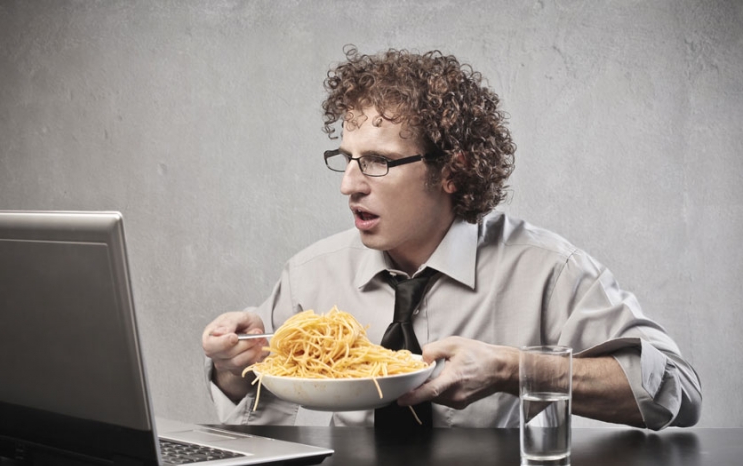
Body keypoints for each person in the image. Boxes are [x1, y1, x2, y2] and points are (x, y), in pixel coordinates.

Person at [202, 46, 701, 430]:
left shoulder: (546, 269)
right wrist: (232, 368)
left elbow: (677, 390)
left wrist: (511, 369)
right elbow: (264, 422)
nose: (349, 185)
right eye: (347, 159)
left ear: (452, 171)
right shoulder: (310, 275)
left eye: (377, 162)